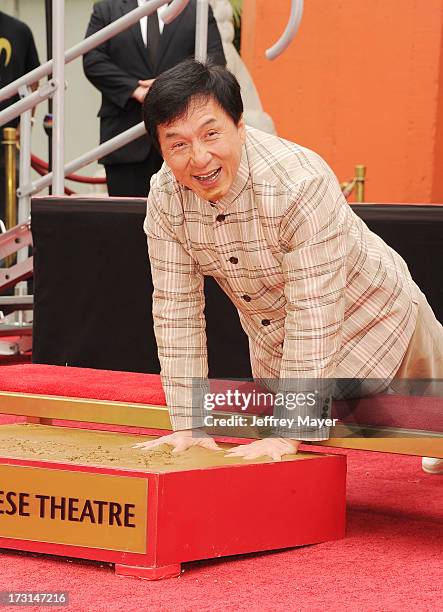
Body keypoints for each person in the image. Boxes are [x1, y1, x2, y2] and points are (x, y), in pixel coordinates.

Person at [134, 59, 443, 466]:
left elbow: (314, 310)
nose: (200, 158)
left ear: (240, 127)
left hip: (379, 313)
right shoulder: (165, 197)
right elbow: (177, 310)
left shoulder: (298, 183)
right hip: (281, 349)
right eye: (178, 144)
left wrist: (288, 430)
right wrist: (190, 423)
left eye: (211, 134)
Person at [83, 0, 225, 197]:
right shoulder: (107, 9)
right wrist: (135, 89)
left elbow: (215, 59)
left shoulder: (196, 8)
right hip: (125, 137)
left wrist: (167, 86)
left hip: (185, 137)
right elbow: (92, 60)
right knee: (127, 222)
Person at [0, 10, 39, 225]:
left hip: (8, 141)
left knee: (9, 209)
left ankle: (9, 259)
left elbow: (33, 82)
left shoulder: (18, 30)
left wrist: (24, 126)